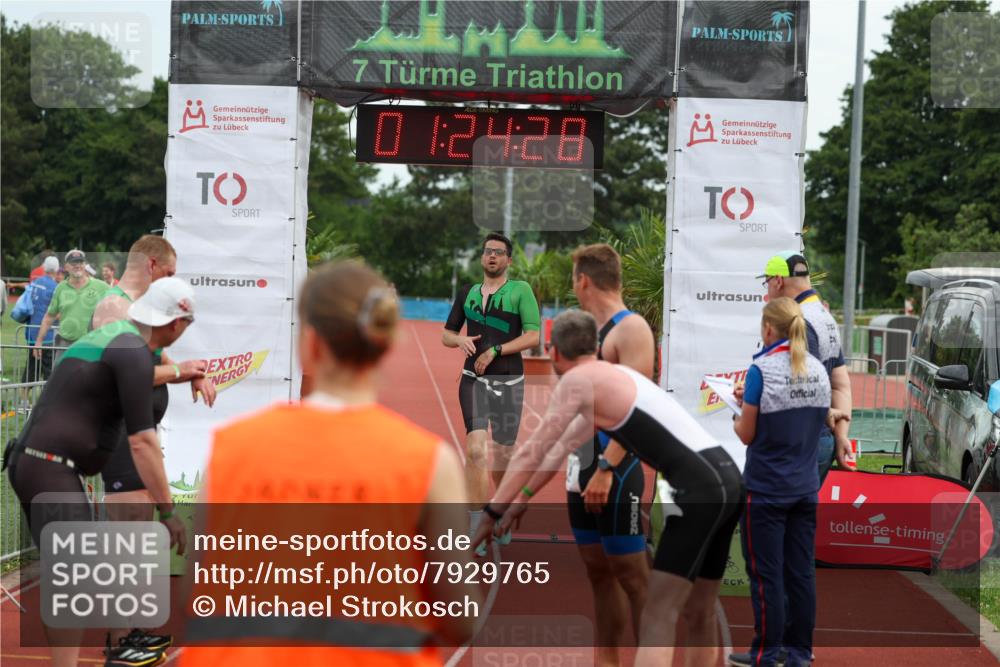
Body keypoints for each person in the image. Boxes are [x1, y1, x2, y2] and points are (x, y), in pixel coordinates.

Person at [180, 261, 481, 667]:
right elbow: (461, 617)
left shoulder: (231, 446)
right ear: (387, 344)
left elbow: (195, 593)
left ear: (310, 344)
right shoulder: (428, 460)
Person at [472, 310, 745, 667]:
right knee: (699, 610)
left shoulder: (578, 381)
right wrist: (522, 499)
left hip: (698, 489)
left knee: (657, 615)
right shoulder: (617, 379)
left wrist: (491, 512)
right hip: (729, 479)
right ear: (597, 346)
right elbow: (560, 448)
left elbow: (531, 450)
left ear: (554, 351)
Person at [3, 277, 194, 667]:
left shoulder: (121, 338)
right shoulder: (132, 350)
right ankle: (103, 650)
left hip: (44, 465)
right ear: (176, 324)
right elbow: (143, 443)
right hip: (49, 466)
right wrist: (169, 513)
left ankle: (119, 642)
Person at [731, 298, 841, 667]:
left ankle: (765, 652)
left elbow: (746, 434)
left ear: (767, 329)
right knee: (800, 572)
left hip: (765, 489)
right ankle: (799, 652)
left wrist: (739, 411)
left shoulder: (761, 370)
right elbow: (815, 420)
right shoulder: (817, 370)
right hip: (805, 487)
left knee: (766, 574)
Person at [565, 244, 654, 665]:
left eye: (573, 280)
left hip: (615, 467)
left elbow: (638, 412)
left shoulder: (630, 329)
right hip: (580, 463)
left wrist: (606, 467)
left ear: (584, 280)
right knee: (597, 571)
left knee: (634, 577)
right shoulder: (584, 330)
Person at [442, 233, 540, 551]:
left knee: (502, 457)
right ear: (482, 258)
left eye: (499, 252)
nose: (492, 256)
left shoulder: (520, 291)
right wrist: (460, 341)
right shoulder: (467, 293)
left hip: (508, 384)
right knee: (476, 452)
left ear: (509, 260)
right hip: (473, 380)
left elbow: (533, 337)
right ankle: (476, 526)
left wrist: (496, 350)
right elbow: (447, 334)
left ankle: (500, 512)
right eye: (488, 252)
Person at [33, 249, 109, 355]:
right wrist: (39, 342)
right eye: (73, 262)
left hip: (91, 345)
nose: (77, 265)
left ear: (85, 265)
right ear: (66, 267)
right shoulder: (60, 288)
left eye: (80, 262)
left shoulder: (102, 287)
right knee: (60, 372)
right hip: (65, 345)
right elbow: (49, 317)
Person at [20, 256, 60, 383]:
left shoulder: (35, 283)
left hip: (31, 332)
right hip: (47, 335)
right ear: (57, 269)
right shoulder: (56, 287)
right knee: (49, 371)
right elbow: (56, 313)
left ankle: (23, 399)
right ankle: (47, 400)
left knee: (32, 367)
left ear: (44, 267)